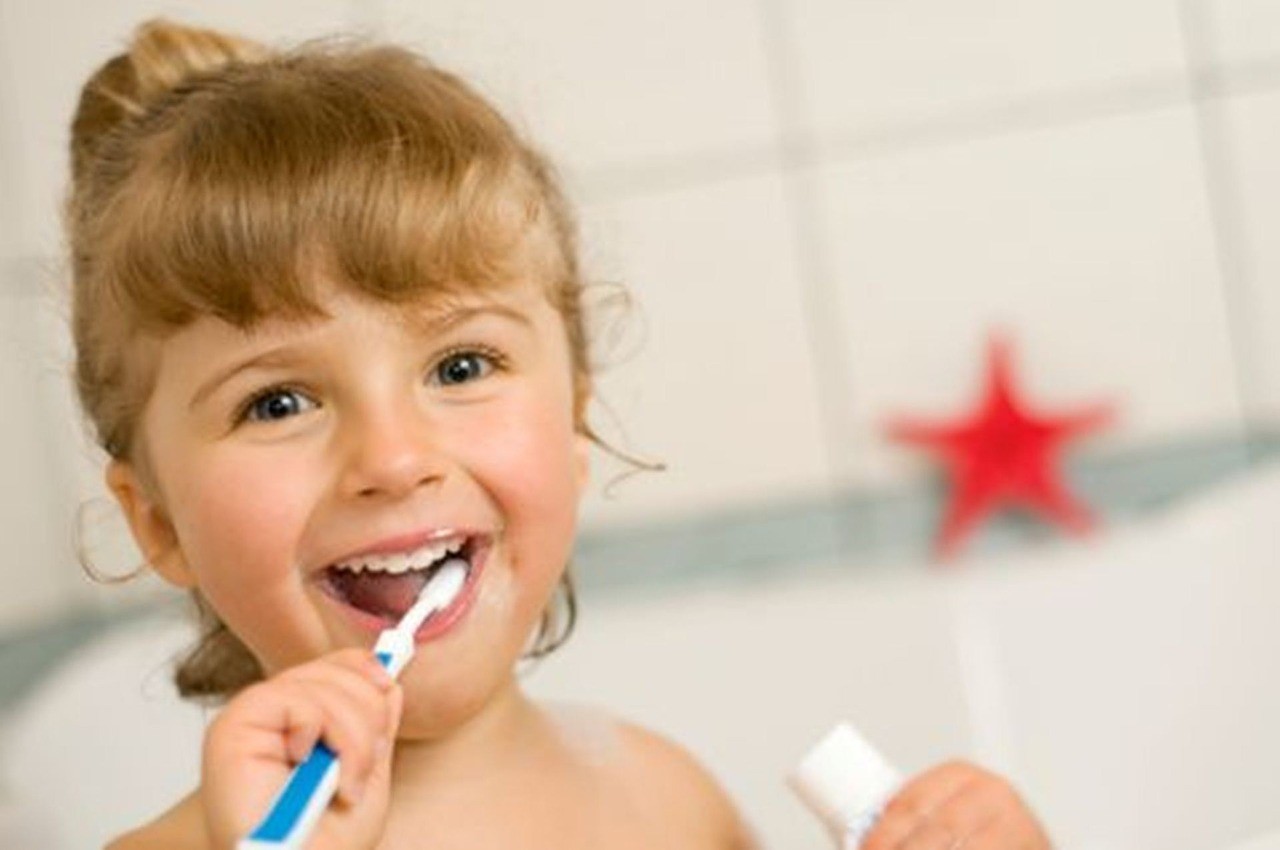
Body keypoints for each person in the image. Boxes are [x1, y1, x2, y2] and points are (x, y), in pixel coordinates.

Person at [66, 18, 1052, 850]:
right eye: (278, 402)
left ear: (574, 418)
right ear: (154, 519)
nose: (394, 458)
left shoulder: (665, 800)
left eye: (459, 367)